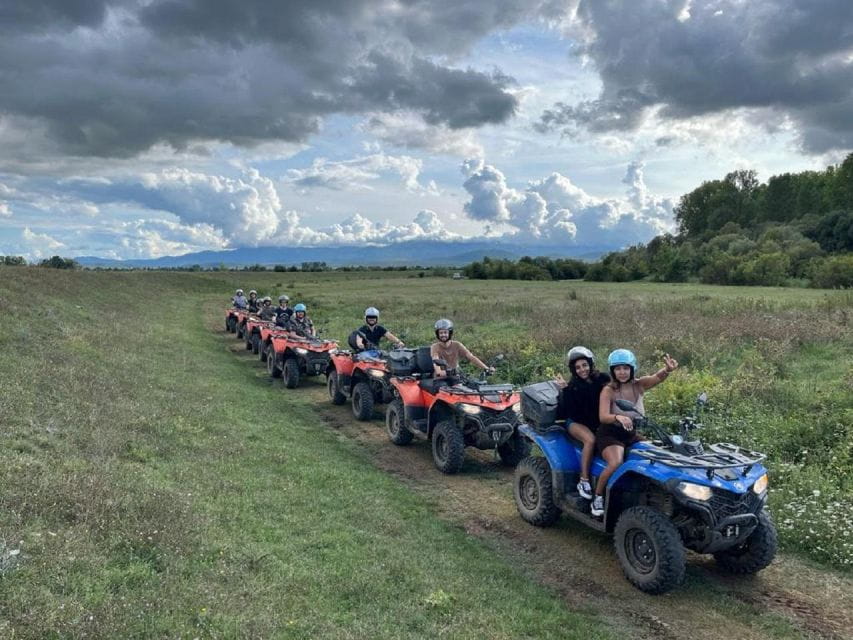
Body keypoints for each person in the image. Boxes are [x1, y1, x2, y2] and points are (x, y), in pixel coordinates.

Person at [591, 349, 679, 517]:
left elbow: (657, 377)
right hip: (610, 434)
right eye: (618, 369)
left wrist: (667, 370)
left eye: (625, 368)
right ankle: (598, 497)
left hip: (630, 434)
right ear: (612, 371)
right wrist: (617, 417)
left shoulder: (639, 385)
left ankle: (655, 497)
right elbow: (603, 416)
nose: (622, 372)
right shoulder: (609, 390)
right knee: (616, 462)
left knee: (656, 454)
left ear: (632, 369)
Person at [554, 346, 610, 500]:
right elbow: (569, 410)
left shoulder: (603, 379)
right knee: (590, 440)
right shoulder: (573, 385)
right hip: (576, 422)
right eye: (577, 367)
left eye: (584, 365)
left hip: (597, 420)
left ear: (590, 364)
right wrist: (565, 389)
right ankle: (583, 480)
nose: (582, 370)